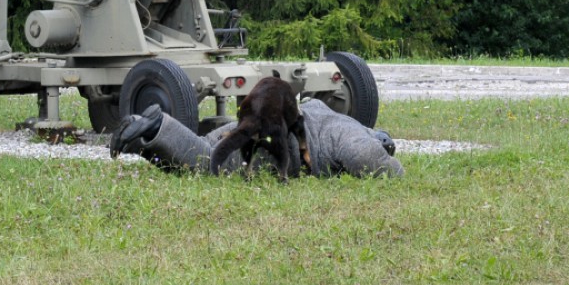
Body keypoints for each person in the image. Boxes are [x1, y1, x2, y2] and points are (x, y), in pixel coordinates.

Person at [110, 98, 404, 178]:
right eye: (385, 144)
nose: (385, 147)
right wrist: (396, 169)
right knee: (207, 164)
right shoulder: (351, 131)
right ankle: (157, 124)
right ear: (374, 136)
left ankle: (139, 135)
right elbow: (367, 158)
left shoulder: (324, 110)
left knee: (201, 152)